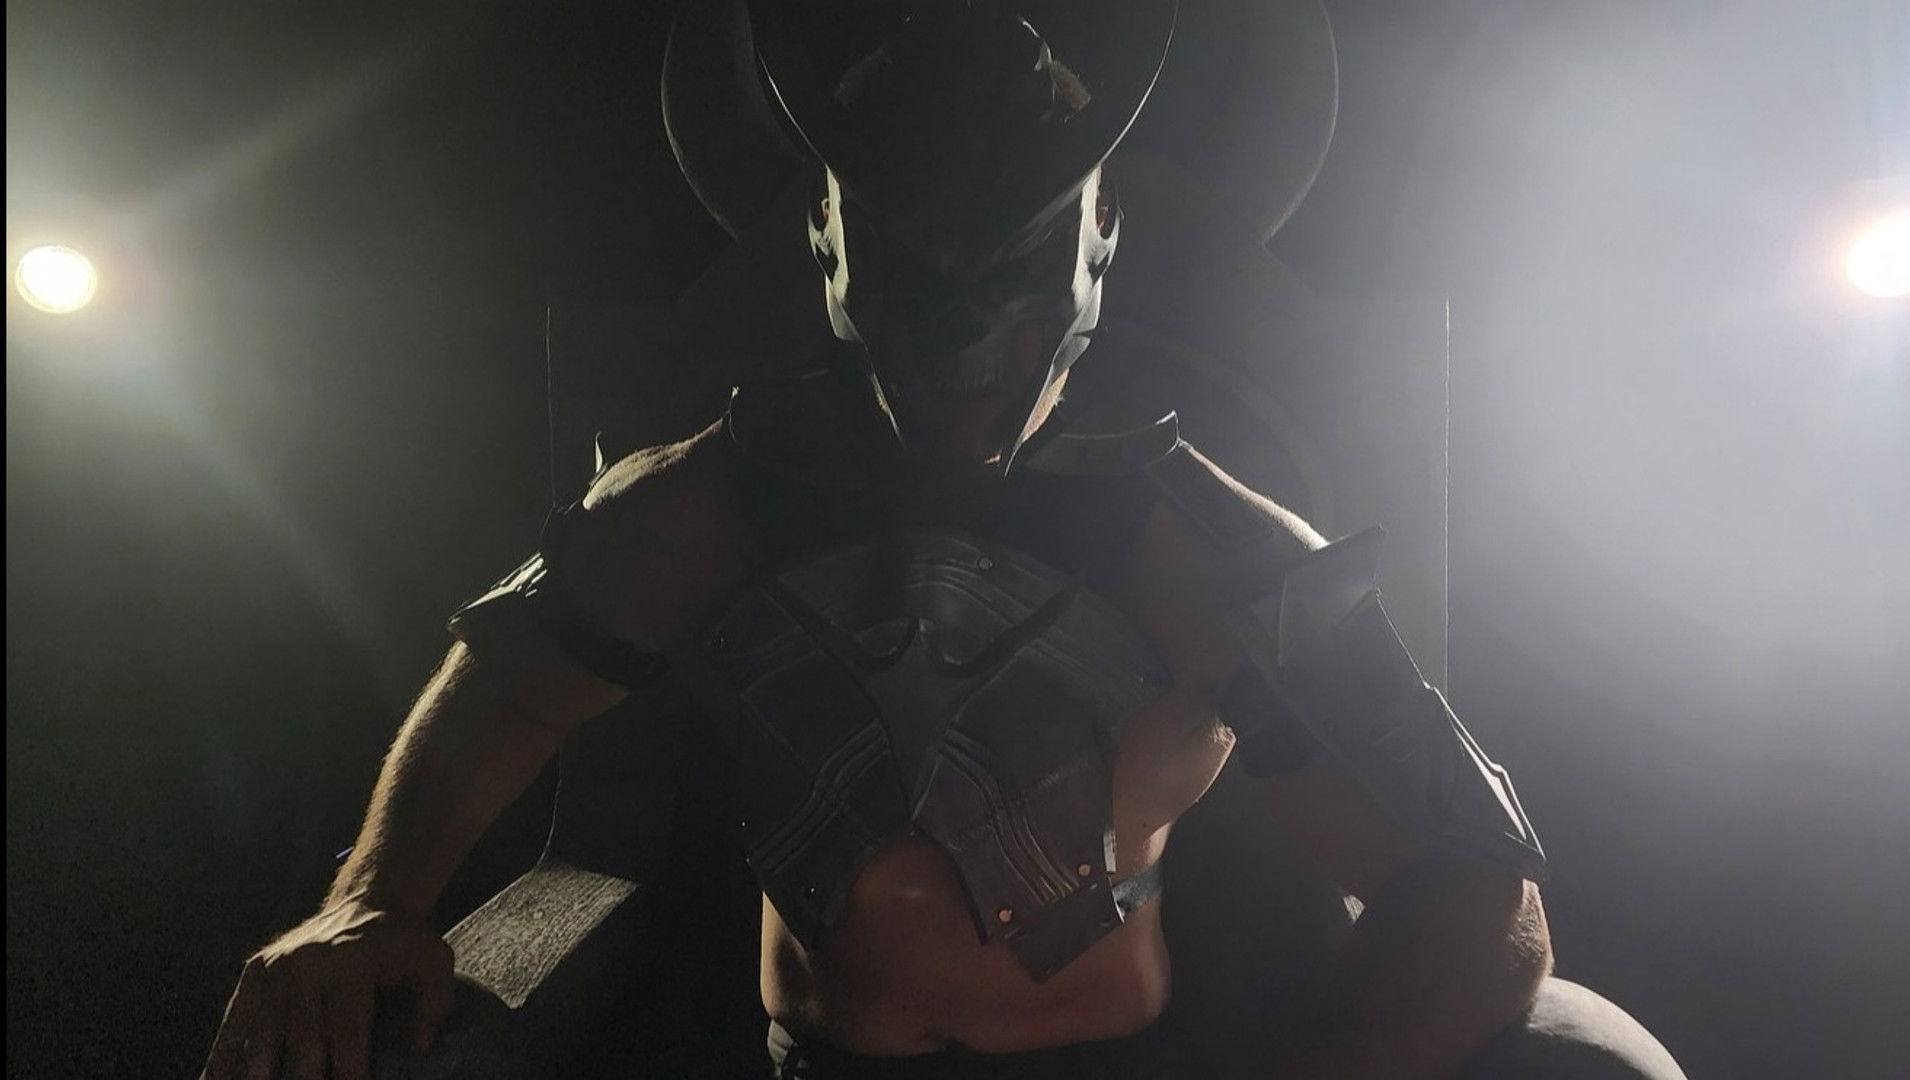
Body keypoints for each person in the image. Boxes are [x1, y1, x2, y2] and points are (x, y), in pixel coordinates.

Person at [204, 5, 1685, 1078]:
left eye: (1018, 263)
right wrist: (369, 902)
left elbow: (1475, 891)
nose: (965, 326)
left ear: (1096, 249)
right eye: (914, 264)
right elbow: (511, 676)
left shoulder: (1207, 550)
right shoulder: (714, 504)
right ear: (832, 245)